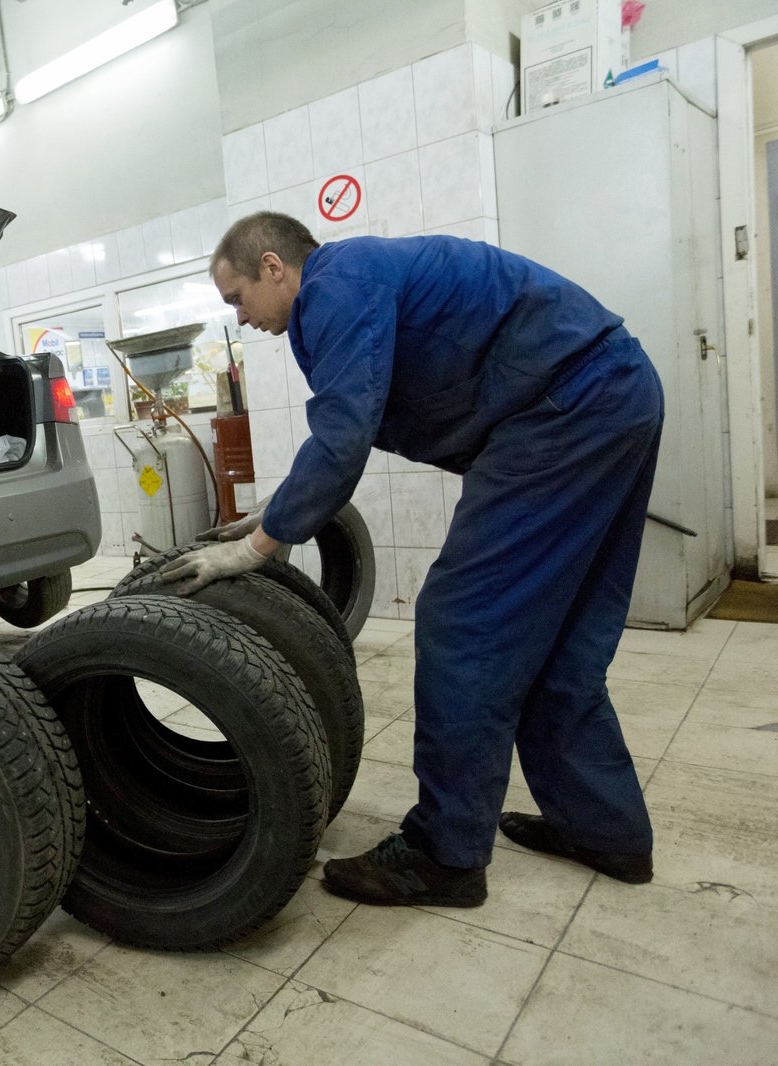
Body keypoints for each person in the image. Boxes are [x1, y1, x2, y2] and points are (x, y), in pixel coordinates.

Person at [163, 211, 660, 907]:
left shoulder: (337, 283)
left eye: (236, 298)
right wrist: (277, 516)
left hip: (563, 409)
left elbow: (344, 436)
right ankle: (606, 830)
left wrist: (254, 549)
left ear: (274, 267)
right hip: (612, 392)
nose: (241, 318)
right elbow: (354, 421)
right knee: (561, 641)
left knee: (464, 621)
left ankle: (444, 855)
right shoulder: (357, 280)